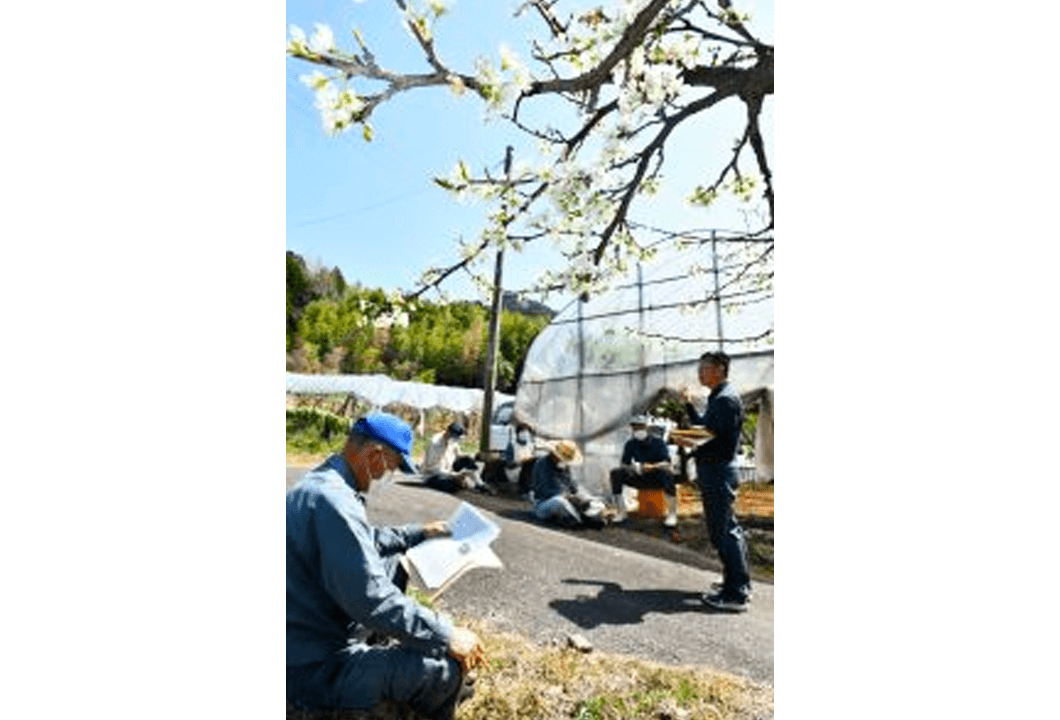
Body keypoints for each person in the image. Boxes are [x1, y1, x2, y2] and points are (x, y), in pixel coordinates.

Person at [286, 413, 485, 719]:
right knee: (445, 670)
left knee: (394, 558)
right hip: (315, 668)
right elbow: (371, 599)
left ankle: (384, 656)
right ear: (374, 455)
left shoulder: (323, 485)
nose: (383, 478)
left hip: (304, 631)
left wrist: (417, 533)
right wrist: (445, 634)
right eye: (389, 469)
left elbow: (365, 539)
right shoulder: (335, 503)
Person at [683, 351, 752, 613]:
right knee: (726, 529)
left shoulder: (725, 400)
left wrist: (686, 441)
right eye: (699, 367)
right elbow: (707, 430)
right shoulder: (720, 398)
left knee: (723, 531)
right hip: (717, 470)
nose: (699, 373)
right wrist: (689, 406)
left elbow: (708, 440)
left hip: (718, 471)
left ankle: (736, 594)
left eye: (704, 368)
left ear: (720, 369)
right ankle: (734, 582)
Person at [609, 416, 679, 527]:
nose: (638, 430)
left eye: (640, 427)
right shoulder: (630, 444)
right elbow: (624, 463)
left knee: (668, 475)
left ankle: (672, 514)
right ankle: (621, 511)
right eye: (635, 428)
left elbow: (667, 462)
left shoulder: (658, 442)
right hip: (640, 476)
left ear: (647, 428)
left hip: (657, 476)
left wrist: (653, 466)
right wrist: (633, 467)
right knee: (616, 473)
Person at [529, 439, 606, 528]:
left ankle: (583, 518)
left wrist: (584, 497)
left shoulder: (564, 467)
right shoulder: (541, 464)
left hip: (567, 501)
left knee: (597, 503)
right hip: (543, 504)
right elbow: (545, 491)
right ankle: (584, 520)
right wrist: (569, 497)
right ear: (554, 454)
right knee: (560, 502)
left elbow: (573, 486)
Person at [422, 422, 492, 494]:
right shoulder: (435, 444)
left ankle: (480, 484)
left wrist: (469, 459)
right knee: (449, 485)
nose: (455, 440)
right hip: (435, 474)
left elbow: (457, 455)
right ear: (447, 432)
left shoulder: (452, 441)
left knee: (468, 460)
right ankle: (458, 483)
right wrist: (454, 475)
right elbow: (433, 468)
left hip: (449, 470)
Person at [505, 422, 537, 497]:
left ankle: (530, 491)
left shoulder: (531, 446)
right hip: (514, 471)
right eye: (523, 432)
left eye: (527, 432)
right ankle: (525, 491)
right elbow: (507, 463)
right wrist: (520, 462)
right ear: (518, 433)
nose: (525, 434)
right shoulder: (512, 445)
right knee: (528, 466)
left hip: (528, 472)